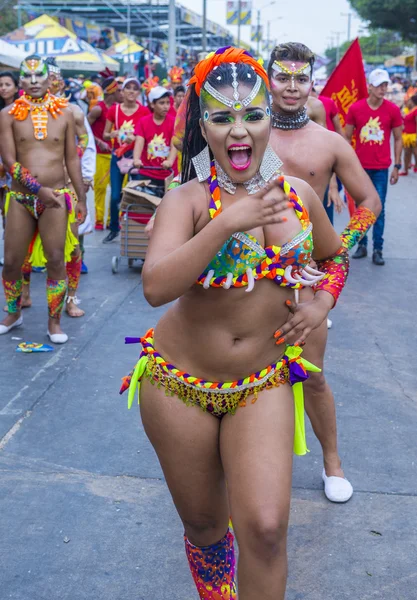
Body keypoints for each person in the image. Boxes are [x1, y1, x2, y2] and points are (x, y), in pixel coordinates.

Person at [120, 46, 350, 599]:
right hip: (179, 384)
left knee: (267, 532)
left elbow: (333, 258)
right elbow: (155, 287)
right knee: (205, 530)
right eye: (222, 117)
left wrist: (321, 304)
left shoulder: (297, 197)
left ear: (270, 116)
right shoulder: (187, 200)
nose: (238, 131)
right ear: (205, 125)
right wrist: (225, 225)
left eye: (252, 114)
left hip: (262, 383)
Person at [268, 42, 381, 502]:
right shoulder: (241, 131)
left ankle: (331, 462)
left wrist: (340, 246)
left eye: (300, 78)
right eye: (282, 77)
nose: (292, 87)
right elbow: (198, 182)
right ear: (268, 79)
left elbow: (369, 200)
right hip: (246, 277)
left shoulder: (331, 142)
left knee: (311, 373)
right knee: (241, 369)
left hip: (310, 281)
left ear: (312, 82)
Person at [0, 55, 86, 343]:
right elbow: (10, 163)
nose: (34, 82)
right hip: (22, 199)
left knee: (55, 260)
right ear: (21, 80)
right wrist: (39, 191)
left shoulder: (66, 114)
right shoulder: (7, 115)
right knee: (11, 261)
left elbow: (72, 159)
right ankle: (13, 313)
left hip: (58, 199)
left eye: (40, 76)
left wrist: (82, 199)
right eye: (28, 76)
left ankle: (54, 322)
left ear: (51, 79)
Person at [345, 68, 403, 266]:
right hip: (359, 169)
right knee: (361, 208)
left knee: (379, 209)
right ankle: (362, 244)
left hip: (380, 169)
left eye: (385, 84)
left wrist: (397, 165)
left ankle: (378, 248)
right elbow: (346, 137)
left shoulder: (393, 110)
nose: (383, 88)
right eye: (379, 85)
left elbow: (398, 138)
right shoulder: (355, 109)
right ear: (370, 86)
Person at [102, 77, 150, 243]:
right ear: (121, 92)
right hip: (118, 157)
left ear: (138, 93)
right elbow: (105, 134)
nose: (131, 91)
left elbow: (147, 136)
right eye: (127, 88)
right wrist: (112, 134)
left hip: (136, 159)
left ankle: (134, 229)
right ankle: (114, 227)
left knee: (136, 195)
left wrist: (136, 138)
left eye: (134, 88)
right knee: (115, 195)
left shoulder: (144, 111)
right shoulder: (113, 110)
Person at [87, 76, 122, 230]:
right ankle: (99, 220)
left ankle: (111, 220)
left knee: (116, 190)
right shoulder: (98, 109)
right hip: (101, 154)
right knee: (100, 188)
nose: (122, 93)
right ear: (112, 92)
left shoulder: (117, 109)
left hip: (116, 154)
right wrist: (99, 141)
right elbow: (84, 131)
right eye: (119, 90)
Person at [132, 86, 177, 199]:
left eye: (168, 102)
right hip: (147, 173)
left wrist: (170, 161)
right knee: (141, 208)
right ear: (152, 104)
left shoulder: (173, 122)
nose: (166, 106)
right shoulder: (143, 122)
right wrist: (136, 159)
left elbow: (174, 145)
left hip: (168, 174)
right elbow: (139, 143)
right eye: (162, 103)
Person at [399, 94, 417, 175]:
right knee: (407, 153)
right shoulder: (407, 109)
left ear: (413, 102)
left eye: (409, 100)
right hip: (406, 135)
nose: (408, 101)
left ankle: (415, 166)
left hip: (413, 136)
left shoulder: (416, 111)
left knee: (415, 153)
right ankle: (405, 170)